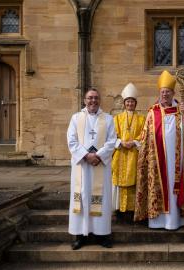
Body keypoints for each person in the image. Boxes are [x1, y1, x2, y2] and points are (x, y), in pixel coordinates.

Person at [134, 70, 184, 230]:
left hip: (176, 158)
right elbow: (145, 135)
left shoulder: (180, 111)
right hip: (156, 159)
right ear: (159, 93)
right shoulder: (152, 112)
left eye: (167, 92)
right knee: (158, 186)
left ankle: (175, 221)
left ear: (173, 93)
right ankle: (158, 221)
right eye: (162, 92)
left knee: (174, 187)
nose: (165, 95)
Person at [67, 88, 117, 250]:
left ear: (99, 100)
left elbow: (112, 141)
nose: (93, 101)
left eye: (96, 98)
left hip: (100, 166)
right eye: (90, 98)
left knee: (101, 198)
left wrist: (99, 156)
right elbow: (71, 141)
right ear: (84, 100)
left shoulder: (108, 119)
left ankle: (102, 235)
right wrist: (86, 156)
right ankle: (79, 236)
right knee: (80, 197)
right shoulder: (76, 118)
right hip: (82, 166)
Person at [112, 83, 146, 220]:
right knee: (119, 182)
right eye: (128, 101)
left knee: (134, 182)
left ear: (135, 103)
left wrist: (134, 142)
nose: (130, 104)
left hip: (134, 154)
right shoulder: (116, 119)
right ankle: (119, 210)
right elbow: (111, 136)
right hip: (120, 154)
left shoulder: (142, 119)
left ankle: (132, 210)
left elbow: (144, 135)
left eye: (132, 101)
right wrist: (120, 142)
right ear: (124, 103)